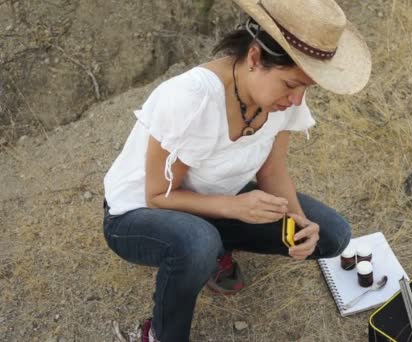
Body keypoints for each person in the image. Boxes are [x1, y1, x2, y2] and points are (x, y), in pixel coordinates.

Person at [102, 0, 371, 341]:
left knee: (332, 234)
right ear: (256, 58)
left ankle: (211, 246)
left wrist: (299, 221)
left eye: (306, 88)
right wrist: (235, 208)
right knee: (197, 242)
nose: (296, 100)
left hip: (214, 200)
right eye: (290, 85)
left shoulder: (282, 98)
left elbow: (272, 171)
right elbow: (158, 195)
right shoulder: (191, 99)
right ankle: (160, 332)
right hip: (138, 213)